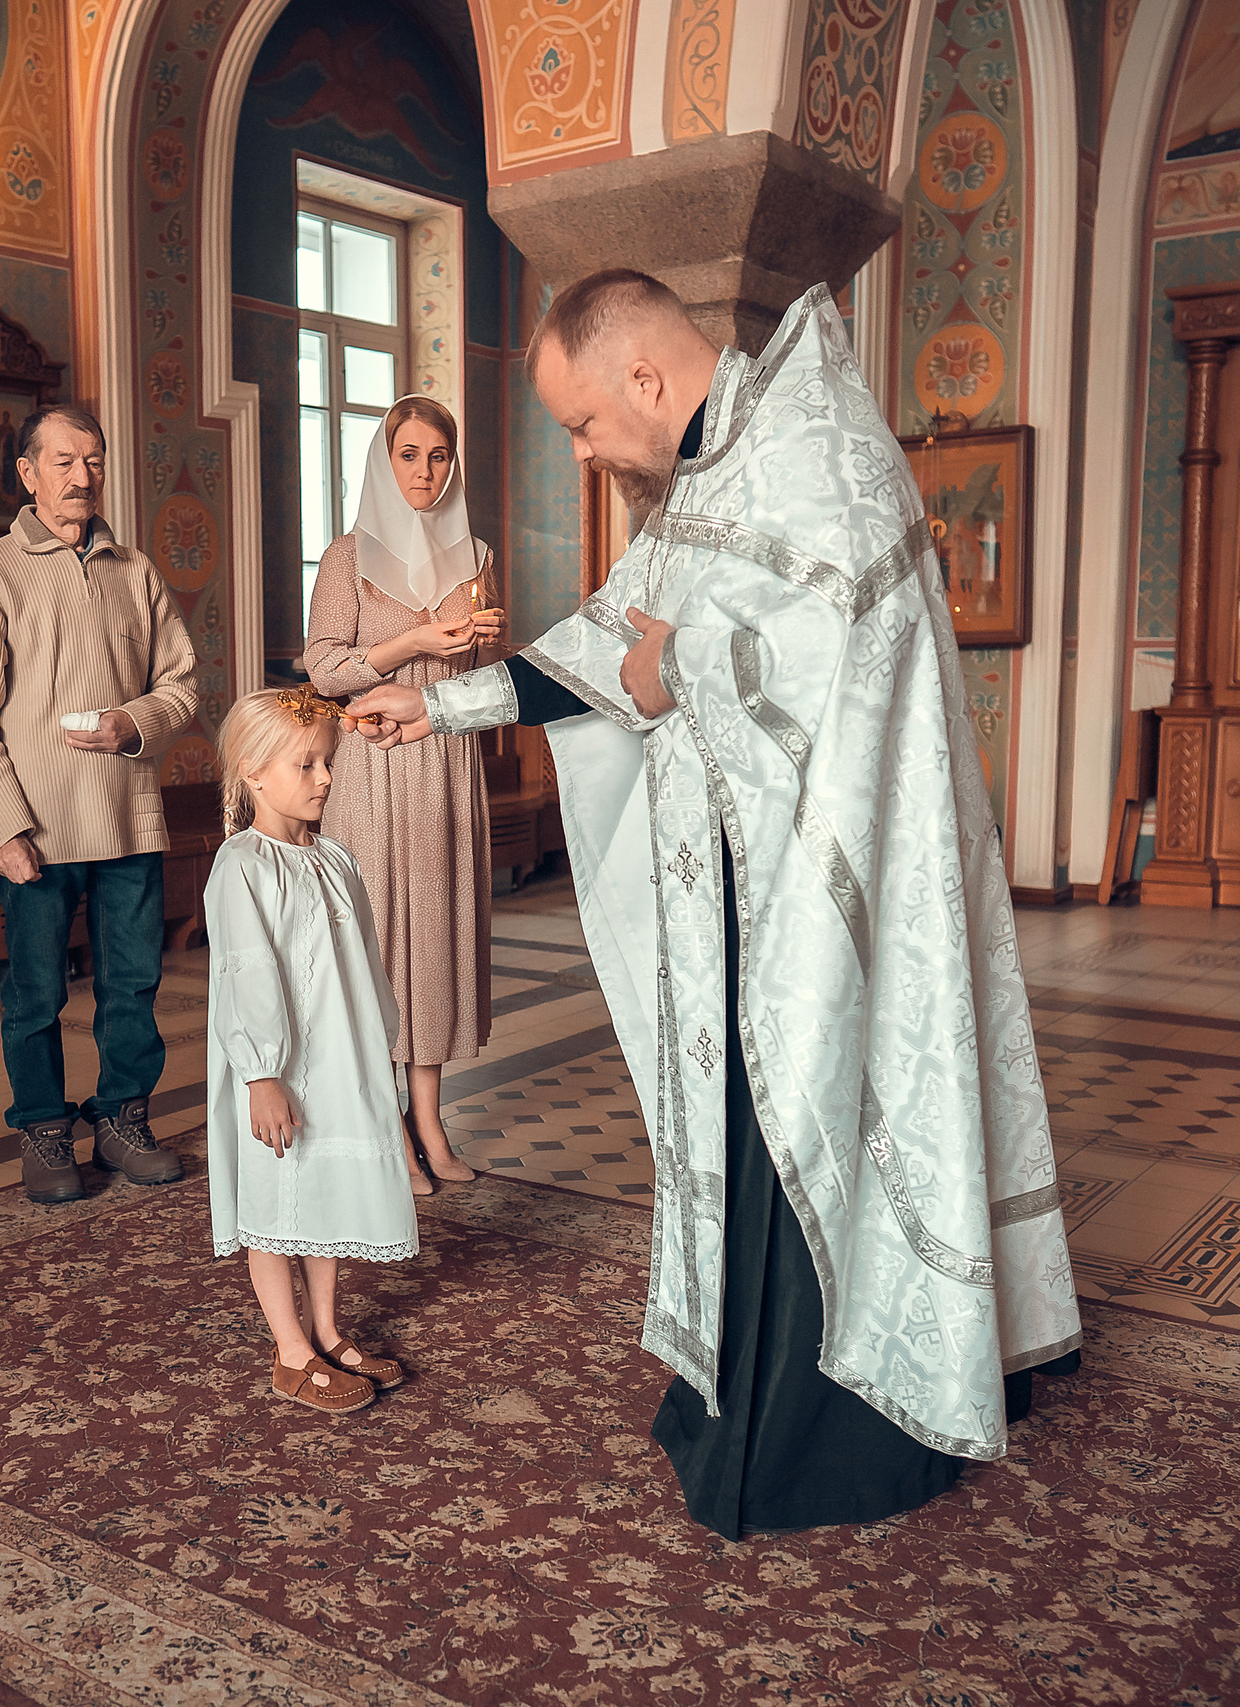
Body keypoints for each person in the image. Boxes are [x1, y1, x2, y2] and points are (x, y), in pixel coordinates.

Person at [349, 271, 1081, 1537]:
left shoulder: (818, 450)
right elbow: (608, 642)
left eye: (583, 424)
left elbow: (820, 654)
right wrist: (441, 705)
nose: (583, 453)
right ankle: (744, 1389)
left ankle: (833, 1429)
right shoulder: (713, 471)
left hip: (831, 893)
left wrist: (672, 662)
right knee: (751, 1121)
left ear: (643, 378)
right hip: (749, 882)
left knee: (812, 1110)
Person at [0, 404, 200, 1202]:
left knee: (134, 985)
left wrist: (133, 722)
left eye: (93, 461)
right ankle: (44, 1131)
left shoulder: (136, 570)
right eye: (64, 462)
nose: (82, 477)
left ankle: (123, 1120)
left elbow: (182, 685)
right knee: (35, 993)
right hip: (37, 830)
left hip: (128, 817)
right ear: (27, 473)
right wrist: (2, 829)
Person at [301, 396, 504, 1193]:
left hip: (448, 765)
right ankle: (383, 1124)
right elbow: (324, 668)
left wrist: (488, 645)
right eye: (409, 454)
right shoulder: (347, 556)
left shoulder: (476, 554)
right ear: (384, 462)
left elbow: (486, 678)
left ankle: (429, 1120)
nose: (425, 471)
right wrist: (413, 639)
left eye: (439, 455)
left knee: (437, 940)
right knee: (381, 942)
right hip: (373, 764)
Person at [205, 687, 416, 1414]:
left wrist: (376, 1044)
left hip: (338, 1056)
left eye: (328, 761)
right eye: (306, 764)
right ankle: (290, 1349)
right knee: (276, 1195)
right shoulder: (241, 864)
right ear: (254, 773)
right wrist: (261, 1072)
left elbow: (363, 960)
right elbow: (246, 972)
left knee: (324, 1188)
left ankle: (326, 1329)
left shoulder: (336, 858)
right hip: (279, 1068)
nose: (325, 777)